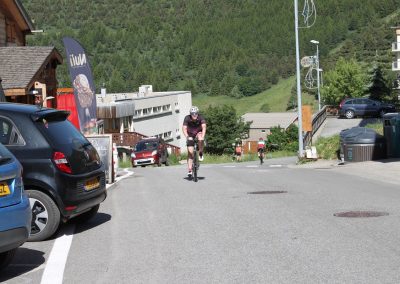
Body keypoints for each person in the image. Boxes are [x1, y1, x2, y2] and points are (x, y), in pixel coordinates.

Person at [182, 106, 206, 177]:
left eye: (196, 113)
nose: (194, 115)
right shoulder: (187, 118)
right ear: (190, 114)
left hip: (198, 133)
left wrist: (203, 135)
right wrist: (187, 137)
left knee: (201, 138)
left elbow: (204, 127)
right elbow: (184, 128)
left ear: (198, 113)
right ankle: (190, 170)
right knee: (190, 153)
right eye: (193, 113)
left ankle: (200, 152)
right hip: (190, 135)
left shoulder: (201, 117)